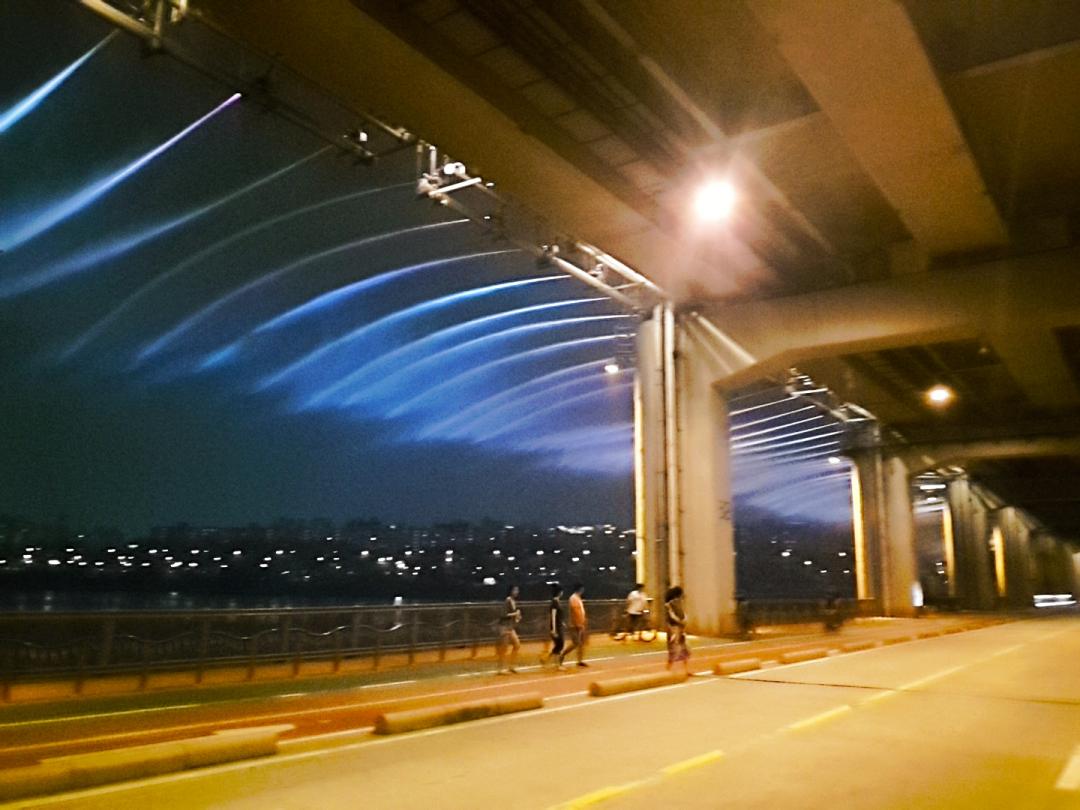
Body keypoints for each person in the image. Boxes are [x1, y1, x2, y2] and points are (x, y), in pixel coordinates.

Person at [560, 583, 588, 667]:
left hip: (580, 623)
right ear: (580, 589)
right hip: (575, 624)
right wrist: (579, 623)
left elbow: (580, 611)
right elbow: (575, 611)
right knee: (576, 643)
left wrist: (583, 621)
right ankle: (562, 655)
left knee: (581, 643)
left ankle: (580, 660)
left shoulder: (578, 598)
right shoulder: (573, 598)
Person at [496, 584, 522, 674]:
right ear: (510, 591)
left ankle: (511, 666)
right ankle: (500, 669)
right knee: (504, 648)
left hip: (510, 627)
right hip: (504, 627)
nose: (517, 592)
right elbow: (503, 614)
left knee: (517, 644)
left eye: (517, 590)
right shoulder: (507, 601)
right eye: (515, 590)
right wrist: (515, 614)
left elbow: (513, 615)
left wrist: (517, 616)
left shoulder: (513, 601)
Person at [664, 586, 691, 674]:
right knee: (674, 649)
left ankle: (686, 669)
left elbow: (683, 614)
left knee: (685, 648)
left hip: (680, 628)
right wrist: (680, 621)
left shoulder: (679, 603)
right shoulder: (669, 605)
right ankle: (668, 669)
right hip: (673, 629)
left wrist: (684, 620)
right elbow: (671, 616)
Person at [539, 583, 565, 670]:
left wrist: (562, 623)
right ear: (559, 592)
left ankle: (546, 660)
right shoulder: (554, 602)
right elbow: (553, 616)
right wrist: (553, 629)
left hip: (558, 626)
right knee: (560, 644)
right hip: (556, 627)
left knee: (558, 645)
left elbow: (558, 616)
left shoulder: (557, 602)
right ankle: (556, 665)